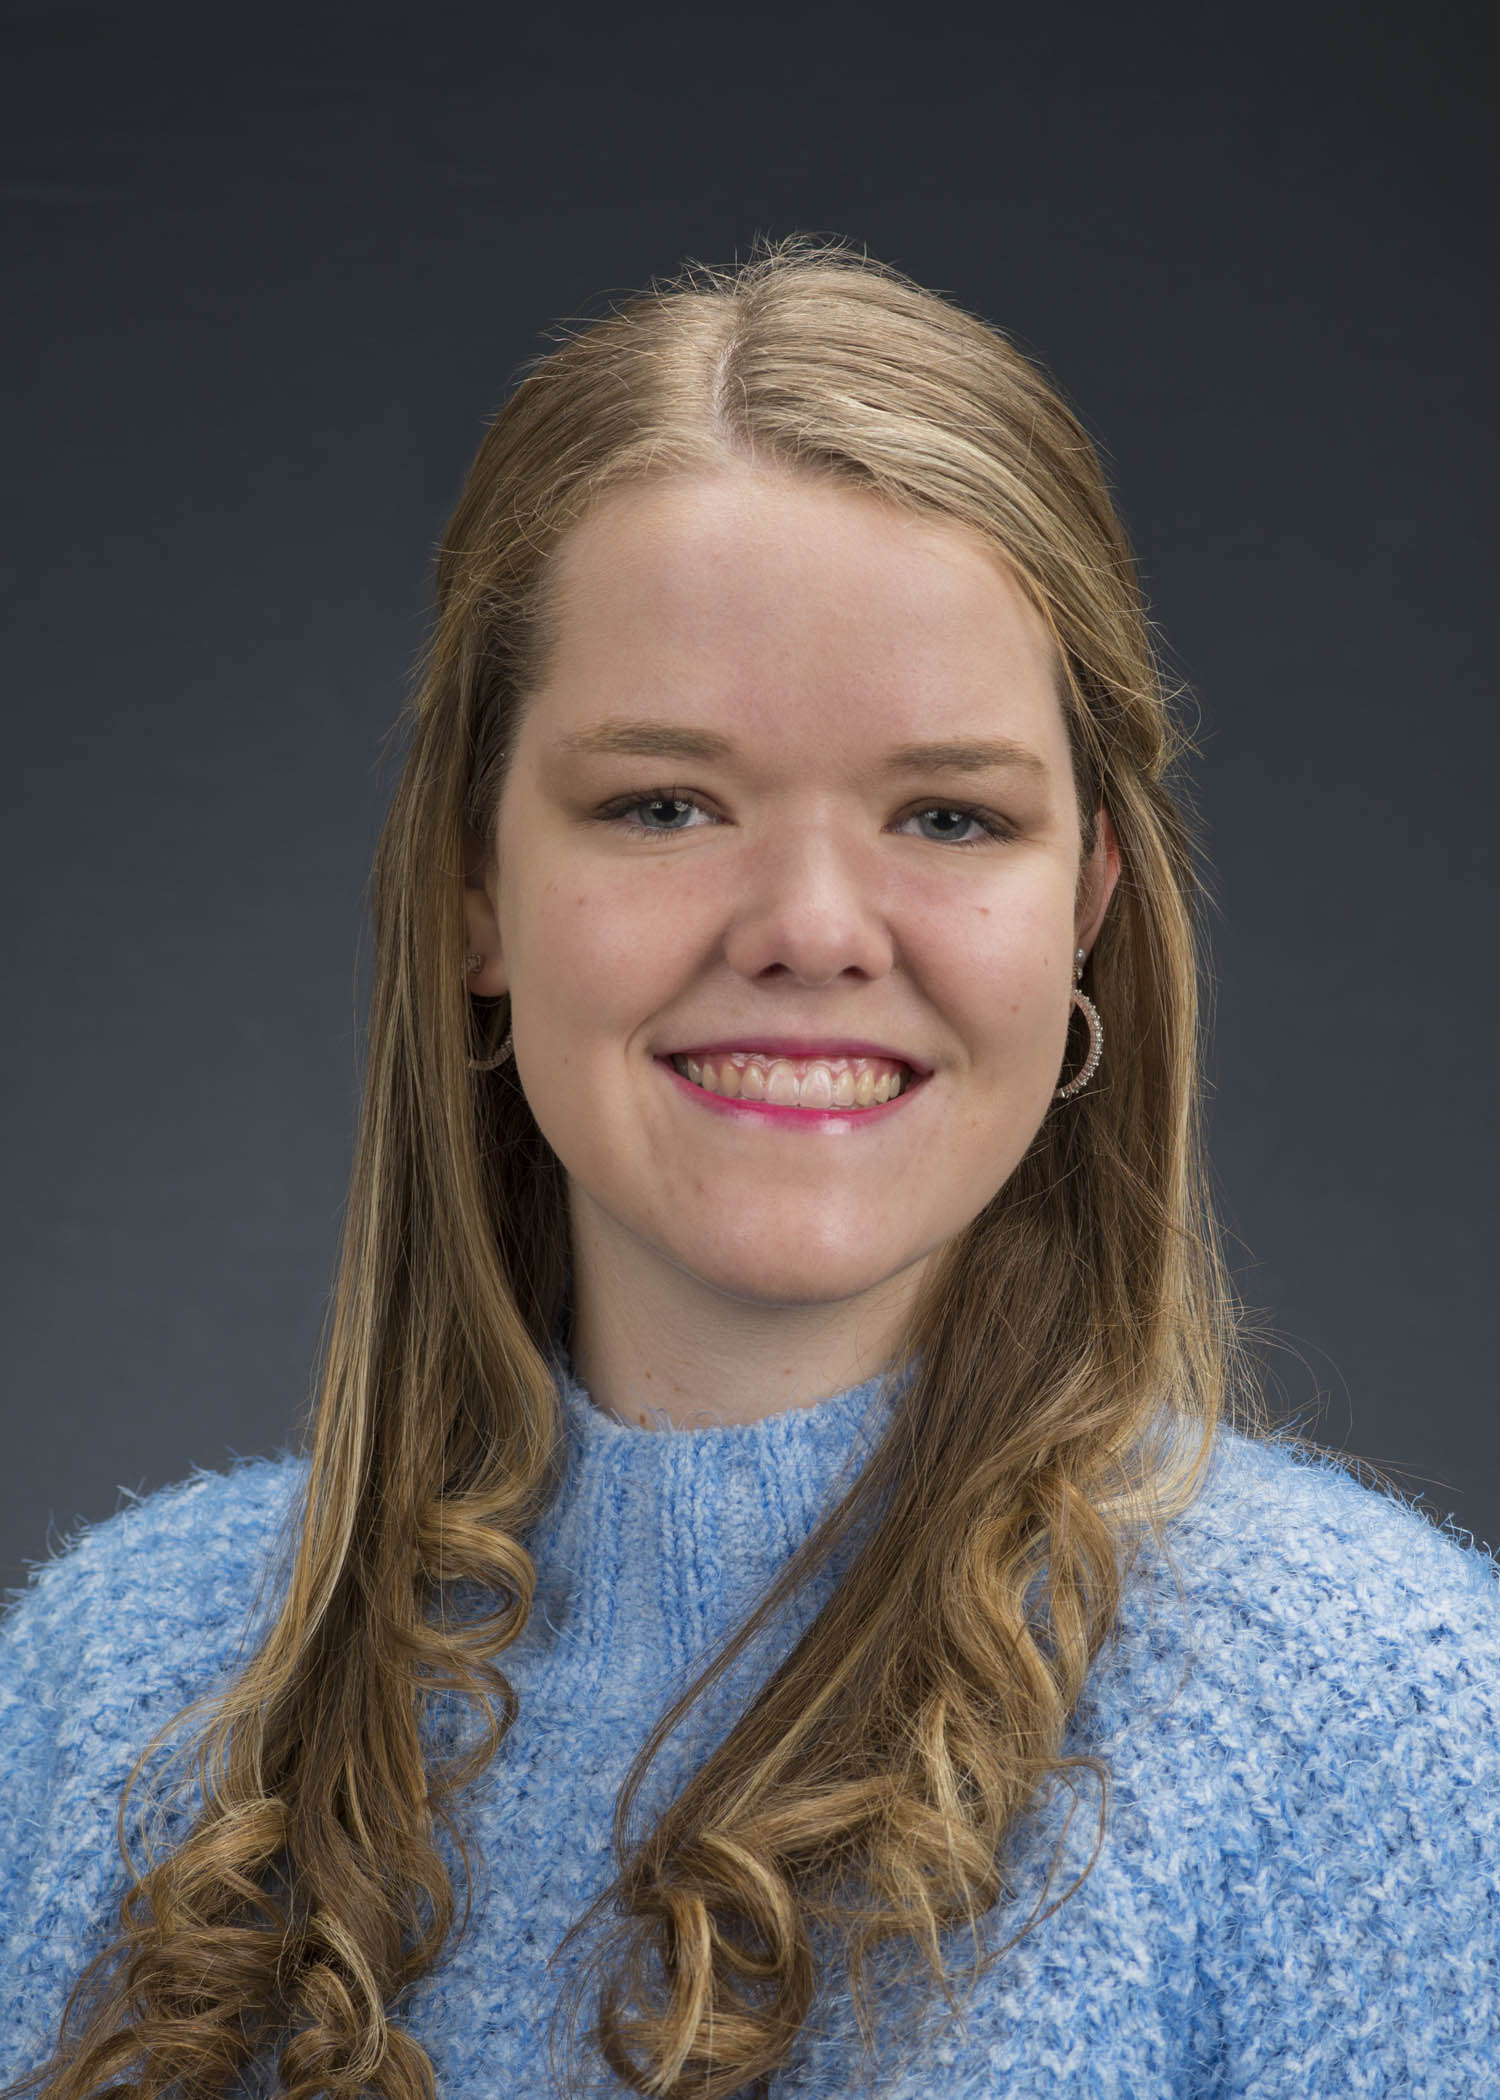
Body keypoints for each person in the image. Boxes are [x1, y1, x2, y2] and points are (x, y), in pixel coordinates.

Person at [2, 234, 1496, 2100]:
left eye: (948, 813)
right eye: (664, 805)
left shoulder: (1374, 1726)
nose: (807, 927)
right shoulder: (117, 1683)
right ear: (477, 889)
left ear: (1088, 909)